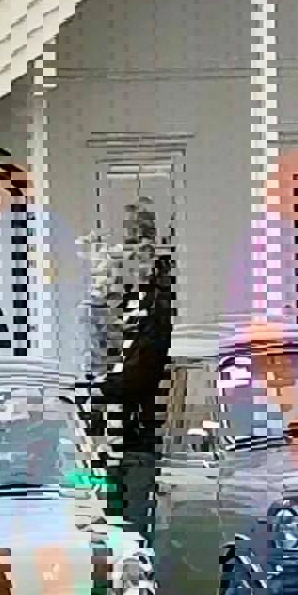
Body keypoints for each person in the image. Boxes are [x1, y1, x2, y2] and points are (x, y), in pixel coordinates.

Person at [90, 202, 175, 541]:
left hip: (139, 434)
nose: (120, 254)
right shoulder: (136, 300)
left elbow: (139, 374)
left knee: (131, 530)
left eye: (127, 244)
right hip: (123, 431)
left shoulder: (156, 304)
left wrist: (94, 389)